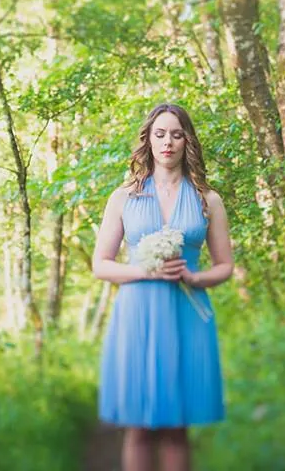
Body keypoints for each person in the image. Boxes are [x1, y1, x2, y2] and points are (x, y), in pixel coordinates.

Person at [92, 103, 234, 471]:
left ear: (188, 141)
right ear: (149, 140)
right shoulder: (124, 197)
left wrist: (195, 278)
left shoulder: (208, 199)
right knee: (139, 426)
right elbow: (101, 264)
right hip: (137, 314)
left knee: (176, 428)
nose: (167, 142)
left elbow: (225, 266)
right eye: (160, 134)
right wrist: (143, 271)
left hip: (187, 313)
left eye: (176, 134)